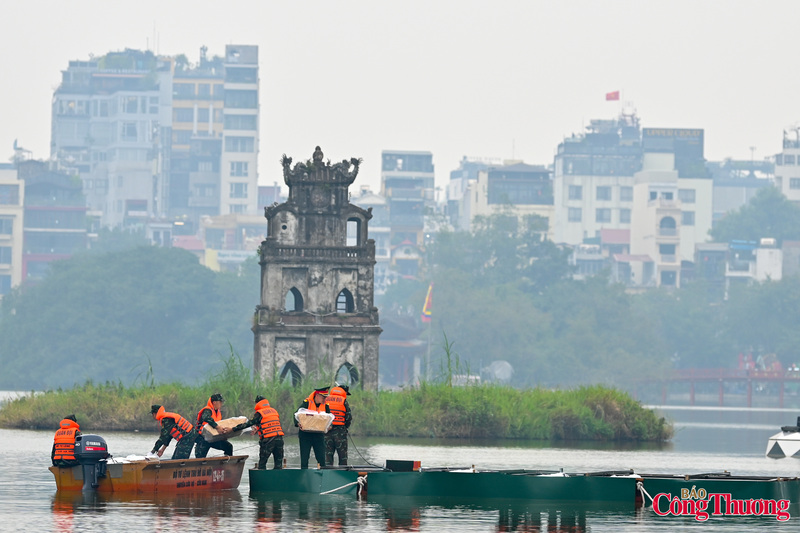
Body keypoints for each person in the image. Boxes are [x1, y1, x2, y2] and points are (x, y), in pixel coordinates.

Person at [232, 395, 284, 469]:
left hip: (268, 441)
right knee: (278, 464)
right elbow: (269, 423)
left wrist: (234, 429)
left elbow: (249, 423)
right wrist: (258, 427)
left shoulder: (260, 413)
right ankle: (278, 478)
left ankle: (262, 479)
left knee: (262, 464)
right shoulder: (273, 411)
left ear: (257, 403)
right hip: (279, 439)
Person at [295, 386, 330, 469]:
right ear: (317, 395)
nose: (325, 399)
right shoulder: (306, 403)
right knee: (304, 458)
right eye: (323, 397)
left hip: (318, 435)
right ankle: (303, 475)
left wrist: (329, 426)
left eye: (326, 397)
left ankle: (322, 475)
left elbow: (329, 417)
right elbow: (296, 415)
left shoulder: (326, 406)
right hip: (305, 435)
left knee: (321, 458)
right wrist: (298, 423)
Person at [194, 393, 233, 458]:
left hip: (213, 438)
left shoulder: (218, 412)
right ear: (214, 402)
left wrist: (223, 435)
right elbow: (206, 417)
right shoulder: (207, 410)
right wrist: (217, 427)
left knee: (228, 446)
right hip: (203, 438)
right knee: (200, 457)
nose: (221, 404)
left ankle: (228, 464)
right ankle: (199, 467)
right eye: (220, 402)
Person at [324, 385, 352, 466]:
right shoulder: (343, 401)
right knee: (342, 456)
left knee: (327, 455)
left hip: (327, 430)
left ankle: (327, 474)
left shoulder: (326, 399)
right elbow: (348, 417)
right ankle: (342, 475)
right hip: (340, 432)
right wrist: (345, 427)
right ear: (344, 392)